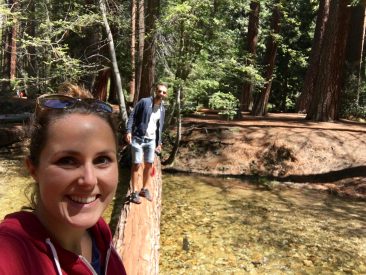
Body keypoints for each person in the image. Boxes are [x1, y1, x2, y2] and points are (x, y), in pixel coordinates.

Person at [0, 83, 126, 274]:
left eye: (102, 159)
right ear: (34, 169)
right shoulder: (11, 250)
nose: (89, 180)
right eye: (67, 160)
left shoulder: (99, 233)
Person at [125, 83, 168, 204]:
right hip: (138, 138)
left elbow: (159, 127)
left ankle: (144, 189)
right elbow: (132, 116)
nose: (161, 94)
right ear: (155, 91)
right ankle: (133, 193)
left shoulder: (162, 109)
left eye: (164, 92)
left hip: (151, 141)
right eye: (160, 91)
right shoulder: (144, 102)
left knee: (149, 164)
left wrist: (159, 142)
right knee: (137, 164)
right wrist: (128, 131)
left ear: (166, 95)